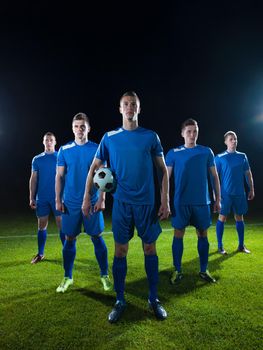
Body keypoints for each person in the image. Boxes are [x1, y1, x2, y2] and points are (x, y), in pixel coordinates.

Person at [82, 91, 170, 323]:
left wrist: (165, 199)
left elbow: (163, 171)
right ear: (120, 109)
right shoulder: (109, 138)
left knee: (150, 249)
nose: (130, 107)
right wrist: (86, 198)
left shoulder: (151, 137)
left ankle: (153, 299)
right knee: (120, 251)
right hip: (121, 204)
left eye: (134, 104)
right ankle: (120, 300)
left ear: (139, 109)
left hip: (147, 204)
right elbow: (94, 169)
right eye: (125, 104)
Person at [55, 112, 112, 293]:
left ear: (88, 128)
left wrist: (102, 198)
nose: (79, 129)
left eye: (82, 126)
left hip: (93, 201)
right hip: (70, 203)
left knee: (97, 237)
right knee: (69, 238)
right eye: (76, 126)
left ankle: (104, 275)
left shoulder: (96, 149)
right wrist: (57, 199)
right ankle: (67, 277)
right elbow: (59, 176)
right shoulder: (64, 150)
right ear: (72, 129)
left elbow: (104, 174)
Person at [165, 118, 221, 284]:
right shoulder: (173, 153)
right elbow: (166, 179)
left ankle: (204, 270)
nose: (192, 134)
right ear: (182, 133)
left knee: (203, 234)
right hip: (181, 202)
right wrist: (165, 200)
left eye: (195, 131)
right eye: (188, 131)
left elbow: (214, 176)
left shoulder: (206, 152)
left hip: (202, 202)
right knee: (178, 234)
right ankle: (177, 270)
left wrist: (218, 198)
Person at [215, 131, 255, 255]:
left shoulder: (242, 156)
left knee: (239, 217)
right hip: (225, 194)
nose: (234, 141)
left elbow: (248, 173)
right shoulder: (219, 157)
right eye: (231, 139)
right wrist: (216, 194)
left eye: (235, 139)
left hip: (240, 193)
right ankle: (220, 247)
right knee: (222, 217)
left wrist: (251, 189)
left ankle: (241, 246)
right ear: (225, 142)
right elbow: (214, 177)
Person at [29, 132, 63, 264]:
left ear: (55, 142)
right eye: (46, 140)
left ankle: (67, 252)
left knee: (62, 226)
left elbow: (66, 176)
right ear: (43, 142)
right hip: (42, 198)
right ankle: (40, 253)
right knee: (41, 225)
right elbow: (33, 179)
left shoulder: (60, 157)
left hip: (58, 198)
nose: (48, 142)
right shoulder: (37, 159)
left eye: (51, 140)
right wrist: (32, 197)